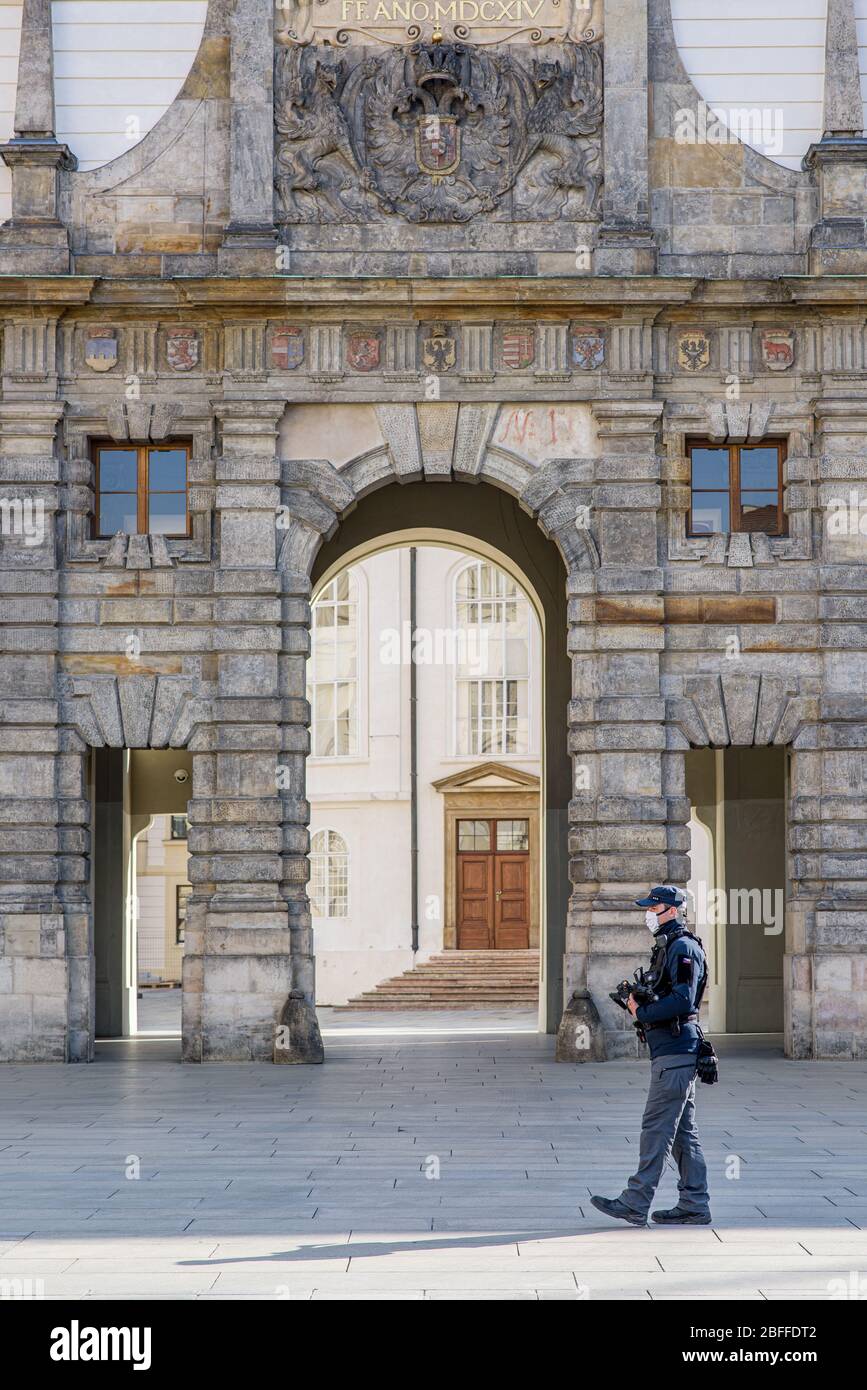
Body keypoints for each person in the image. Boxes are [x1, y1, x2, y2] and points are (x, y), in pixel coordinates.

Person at [590, 885, 712, 1227]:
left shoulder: (683, 947)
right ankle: (694, 1204)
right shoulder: (668, 946)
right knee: (684, 1135)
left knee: (656, 1129)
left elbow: (684, 1000)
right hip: (672, 1051)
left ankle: (635, 1200)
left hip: (676, 1052)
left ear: (671, 910)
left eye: (653, 907)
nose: (648, 913)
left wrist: (641, 1011)